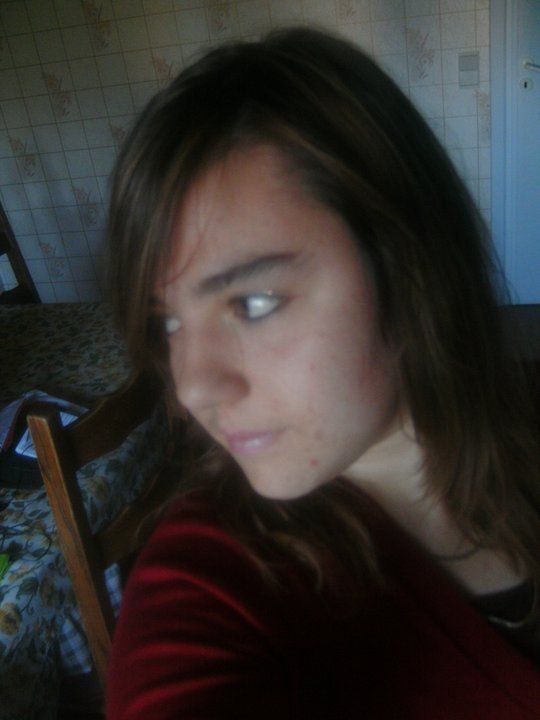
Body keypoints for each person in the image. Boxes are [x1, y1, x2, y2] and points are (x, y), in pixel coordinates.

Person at [105, 27, 540, 719]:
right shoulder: (208, 578)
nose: (191, 388)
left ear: (407, 262)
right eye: (168, 324)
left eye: (253, 303)